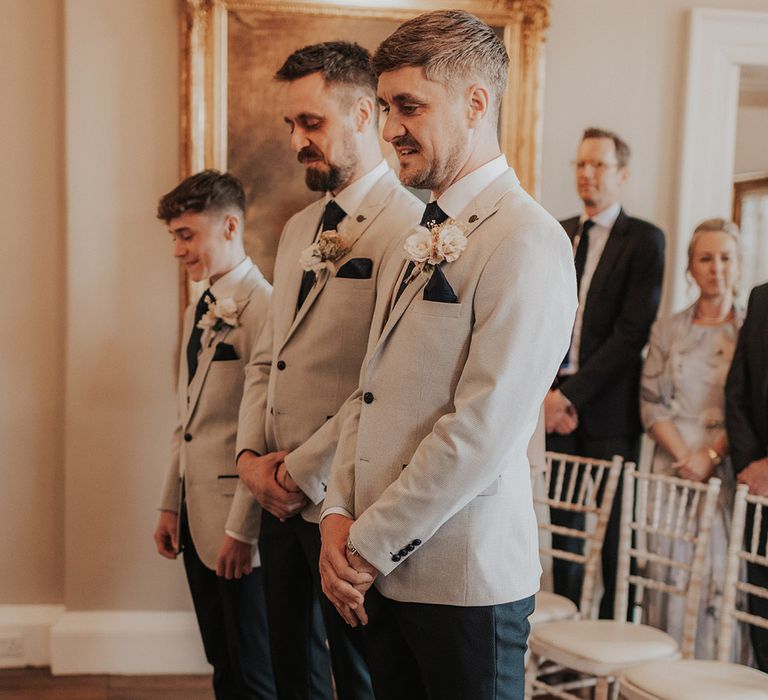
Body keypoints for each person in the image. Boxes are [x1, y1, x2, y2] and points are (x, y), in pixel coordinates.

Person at [317, 11, 577, 699]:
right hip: (384, 568)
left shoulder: (528, 240)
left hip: (465, 585)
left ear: (475, 103)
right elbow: (368, 392)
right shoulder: (422, 230)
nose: (390, 128)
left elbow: (483, 429)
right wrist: (337, 514)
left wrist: (366, 544)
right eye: (385, 107)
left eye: (409, 106)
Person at [234, 41, 422, 700]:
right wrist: (252, 457)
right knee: (292, 670)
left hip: (344, 503)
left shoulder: (410, 226)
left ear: (365, 114)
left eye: (311, 123)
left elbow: (387, 381)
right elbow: (269, 356)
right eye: (292, 125)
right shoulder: (297, 228)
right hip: (276, 499)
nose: (296, 141)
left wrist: (299, 470)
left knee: (359, 678)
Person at [153, 170, 276, 699]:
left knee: (255, 668)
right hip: (194, 516)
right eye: (174, 237)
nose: (178, 250)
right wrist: (169, 504)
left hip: (236, 525)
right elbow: (188, 423)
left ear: (229, 226)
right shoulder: (196, 308)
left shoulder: (266, 307)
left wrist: (243, 531)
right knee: (221, 659)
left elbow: (267, 433)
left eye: (187, 235)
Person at [544, 127, 665, 618]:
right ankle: (568, 630)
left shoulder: (644, 240)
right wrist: (550, 394)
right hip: (554, 410)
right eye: (580, 164)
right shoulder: (557, 231)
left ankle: (616, 631)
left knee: (616, 533)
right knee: (565, 532)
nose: (587, 174)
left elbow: (631, 334)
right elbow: (543, 319)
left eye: (598, 165)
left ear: (623, 174)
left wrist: (572, 395)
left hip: (608, 412)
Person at [640, 218, 748, 661]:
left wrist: (708, 455)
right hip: (671, 466)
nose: (715, 268)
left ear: (738, 266)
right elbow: (650, 403)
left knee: (718, 579)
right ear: (690, 266)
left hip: (722, 468)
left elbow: (746, 407)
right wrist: (685, 457)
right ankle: (660, 677)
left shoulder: (749, 331)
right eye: (706, 258)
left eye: (725, 258)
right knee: (668, 574)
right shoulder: (668, 328)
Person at [726, 281, 768, 672]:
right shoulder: (761, 296)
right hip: (756, 484)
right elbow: (736, 390)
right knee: (759, 596)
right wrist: (752, 465)